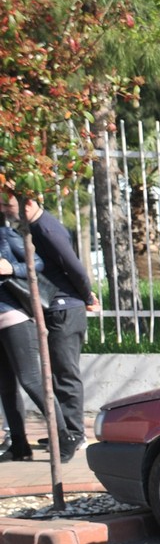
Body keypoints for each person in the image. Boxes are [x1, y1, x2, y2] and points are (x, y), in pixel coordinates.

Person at [4, 192, 98, 461]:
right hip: (56, 307)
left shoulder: (46, 228)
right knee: (57, 372)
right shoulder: (35, 227)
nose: (5, 209)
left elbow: (74, 267)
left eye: (8, 204)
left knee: (65, 373)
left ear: (28, 201)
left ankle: (74, 435)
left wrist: (86, 295)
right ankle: (65, 431)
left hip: (66, 308)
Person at [0, 208, 48, 461]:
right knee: (5, 388)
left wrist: (10, 268)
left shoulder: (5, 236)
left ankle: (64, 436)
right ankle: (19, 445)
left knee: (30, 380)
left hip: (14, 317)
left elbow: (37, 263)